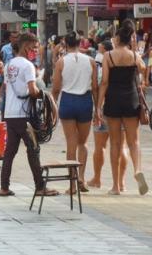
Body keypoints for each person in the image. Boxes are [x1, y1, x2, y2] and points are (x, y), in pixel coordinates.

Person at [0, 33, 57, 198]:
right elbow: (32, 90)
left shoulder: (9, 65)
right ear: (26, 47)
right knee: (33, 149)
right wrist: (44, 95)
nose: (36, 51)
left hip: (10, 113)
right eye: (34, 48)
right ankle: (40, 186)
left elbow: (6, 88)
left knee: (10, 151)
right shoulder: (27, 66)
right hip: (25, 115)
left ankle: (4, 187)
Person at [98, 20, 148, 196]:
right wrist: (143, 81)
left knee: (115, 143)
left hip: (113, 99)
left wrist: (99, 105)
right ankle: (137, 170)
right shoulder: (134, 56)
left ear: (118, 38)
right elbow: (144, 69)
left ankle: (115, 186)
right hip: (131, 99)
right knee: (134, 141)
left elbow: (104, 82)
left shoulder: (108, 56)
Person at [51, 33, 97, 191]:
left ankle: (72, 184)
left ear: (65, 44)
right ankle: (82, 178)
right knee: (82, 143)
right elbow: (95, 87)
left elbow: (56, 88)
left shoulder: (61, 62)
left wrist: (52, 106)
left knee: (71, 143)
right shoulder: (91, 61)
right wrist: (97, 109)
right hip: (85, 101)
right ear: (81, 43)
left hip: (68, 101)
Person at [86, 41, 129, 191]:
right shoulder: (129, 62)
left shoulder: (102, 65)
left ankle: (97, 179)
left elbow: (99, 85)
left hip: (105, 108)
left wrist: (97, 107)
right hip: (123, 107)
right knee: (121, 146)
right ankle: (121, 182)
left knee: (100, 146)